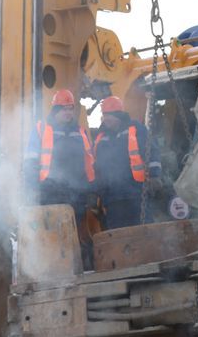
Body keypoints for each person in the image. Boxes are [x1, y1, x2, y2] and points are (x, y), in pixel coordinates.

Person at [23, 88, 96, 261]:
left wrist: (92, 189)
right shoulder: (41, 129)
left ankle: (72, 266)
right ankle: (53, 265)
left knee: (73, 233)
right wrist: (32, 189)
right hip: (49, 192)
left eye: (71, 109)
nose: (69, 113)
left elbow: (89, 162)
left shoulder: (80, 132)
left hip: (76, 193)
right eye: (65, 109)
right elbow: (31, 160)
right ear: (56, 110)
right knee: (51, 233)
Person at [94, 96, 153, 230]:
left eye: (110, 115)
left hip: (136, 194)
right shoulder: (101, 137)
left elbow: (152, 151)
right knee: (117, 235)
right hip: (112, 198)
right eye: (104, 115)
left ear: (119, 115)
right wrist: (96, 191)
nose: (106, 118)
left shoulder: (137, 129)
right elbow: (96, 166)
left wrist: (155, 175)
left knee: (142, 232)